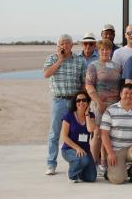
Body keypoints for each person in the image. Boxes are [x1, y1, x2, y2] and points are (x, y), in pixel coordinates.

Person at [44, 34, 86, 175]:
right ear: (58, 45)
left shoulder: (79, 61)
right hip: (59, 100)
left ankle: (77, 161)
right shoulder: (52, 58)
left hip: (75, 102)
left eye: (66, 43)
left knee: (77, 132)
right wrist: (60, 61)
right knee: (55, 133)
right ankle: (51, 164)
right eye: (61, 43)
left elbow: (83, 82)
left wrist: (83, 101)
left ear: (71, 45)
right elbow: (46, 74)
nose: (63, 45)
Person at [100, 83, 132, 184]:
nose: (129, 96)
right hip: (116, 150)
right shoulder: (110, 110)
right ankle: (110, 171)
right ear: (120, 94)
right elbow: (104, 134)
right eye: (126, 93)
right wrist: (110, 153)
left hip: (131, 148)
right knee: (117, 180)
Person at [85, 39, 122, 172]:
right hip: (99, 105)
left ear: (111, 50)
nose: (105, 51)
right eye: (102, 49)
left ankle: (104, 162)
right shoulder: (93, 66)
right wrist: (98, 102)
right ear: (98, 51)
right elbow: (89, 85)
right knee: (98, 134)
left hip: (114, 105)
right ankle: (92, 164)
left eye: (107, 49)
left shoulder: (117, 66)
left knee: (109, 134)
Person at [60, 92, 97, 183]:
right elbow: (64, 136)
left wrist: (87, 114)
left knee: (91, 178)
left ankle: (77, 169)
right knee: (83, 159)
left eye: (84, 100)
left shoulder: (91, 115)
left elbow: (90, 129)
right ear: (75, 103)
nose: (81, 102)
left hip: (85, 150)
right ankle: (72, 174)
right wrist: (77, 148)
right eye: (78, 100)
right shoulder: (69, 116)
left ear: (88, 102)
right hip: (69, 149)